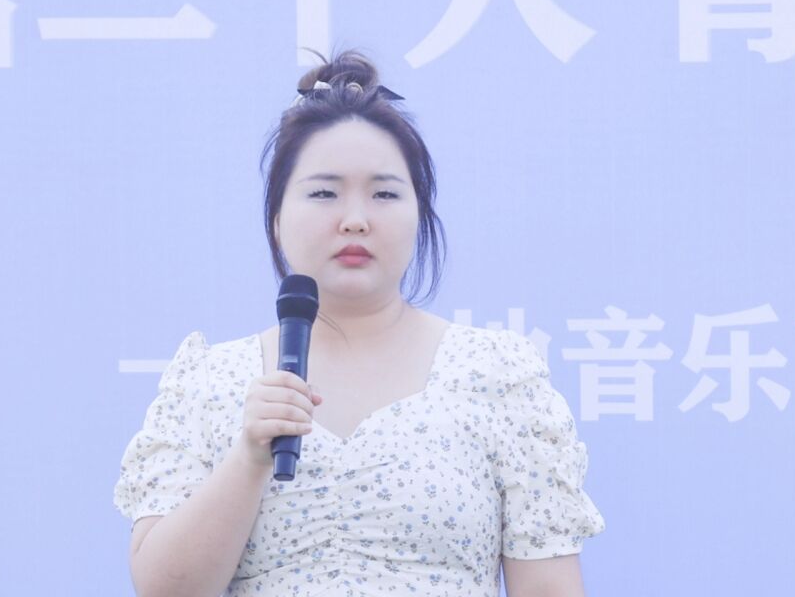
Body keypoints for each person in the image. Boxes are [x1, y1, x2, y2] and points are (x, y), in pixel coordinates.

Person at [115, 53, 600, 595]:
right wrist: (248, 457)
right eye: (324, 193)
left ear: (420, 215)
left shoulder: (498, 375)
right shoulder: (209, 381)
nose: (355, 219)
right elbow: (164, 590)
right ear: (277, 220)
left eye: (384, 194)